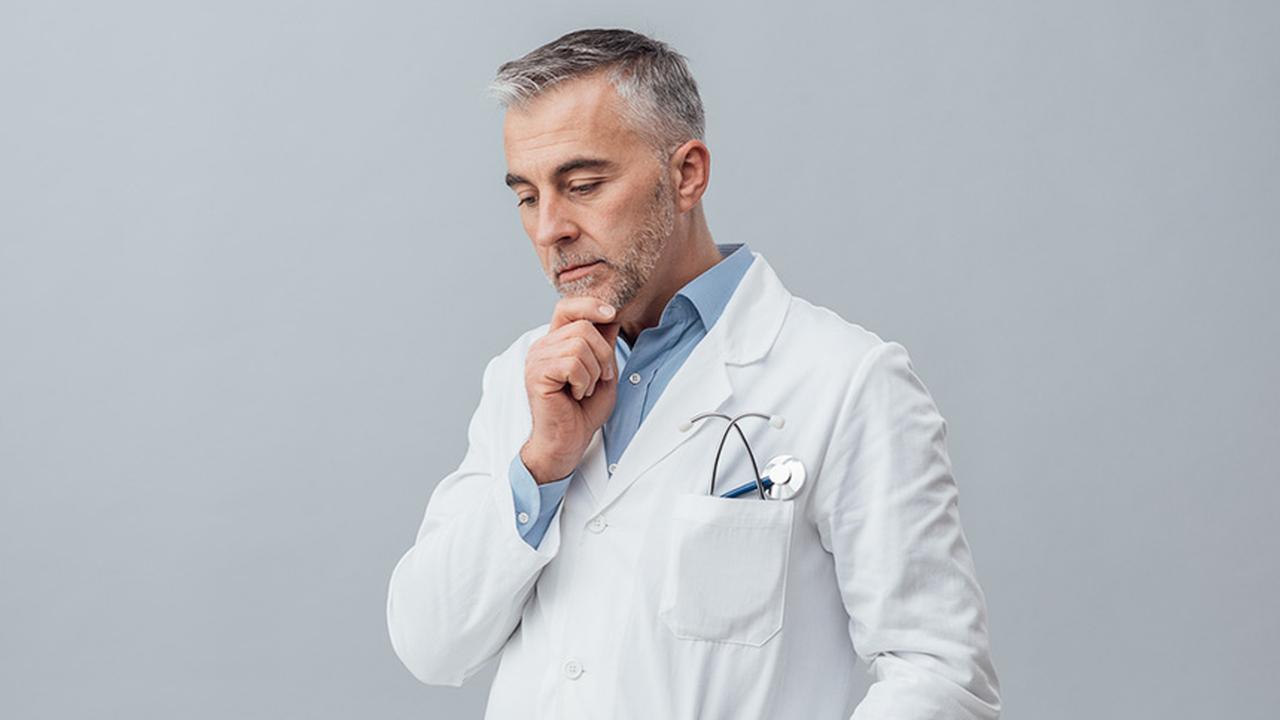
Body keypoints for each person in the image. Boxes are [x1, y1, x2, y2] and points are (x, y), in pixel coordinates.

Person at [386, 28, 1001, 719]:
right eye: (527, 196)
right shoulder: (521, 379)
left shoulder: (847, 380)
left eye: (582, 185)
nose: (549, 228)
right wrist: (543, 465)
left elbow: (941, 677)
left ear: (686, 175)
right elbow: (430, 647)